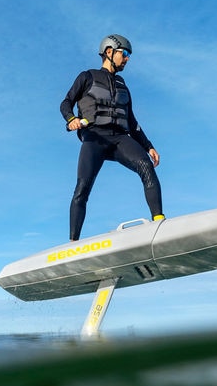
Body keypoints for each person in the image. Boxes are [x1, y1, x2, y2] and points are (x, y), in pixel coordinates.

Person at [60, 34, 164, 241]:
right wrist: (71, 119)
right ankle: (73, 242)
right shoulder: (87, 76)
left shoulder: (122, 85)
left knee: (146, 166)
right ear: (109, 52)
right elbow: (66, 103)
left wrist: (148, 146)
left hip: (119, 139)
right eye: (124, 53)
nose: (127, 59)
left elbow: (132, 121)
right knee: (82, 188)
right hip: (95, 137)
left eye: (128, 55)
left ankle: (159, 223)